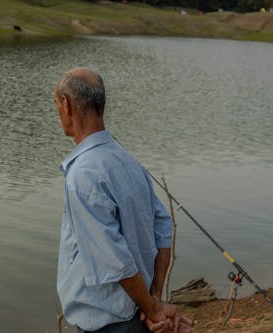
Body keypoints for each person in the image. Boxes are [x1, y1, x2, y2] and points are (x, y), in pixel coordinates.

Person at [54, 67, 192, 333]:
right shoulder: (128, 161)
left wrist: (153, 310)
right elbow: (162, 227)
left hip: (111, 326)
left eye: (57, 105)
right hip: (137, 318)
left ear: (66, 104)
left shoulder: (82, 176)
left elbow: (114, 261)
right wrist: (154, 299)